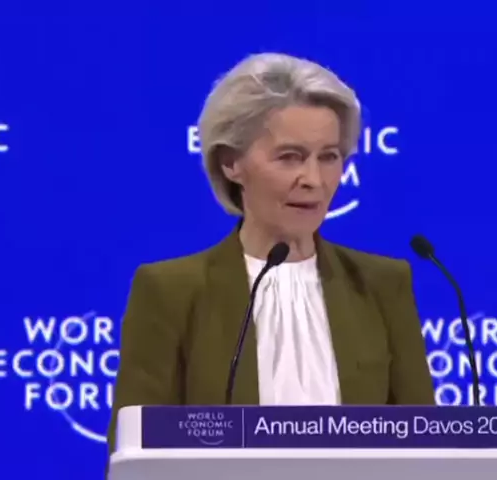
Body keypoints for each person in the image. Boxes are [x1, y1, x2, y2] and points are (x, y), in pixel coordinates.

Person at [106, 52, 435, 456]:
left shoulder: (382, 284)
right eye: (290, 157)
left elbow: (424, 445)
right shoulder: (171, 291)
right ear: (232, 163)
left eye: (329, 157)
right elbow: (136, 455)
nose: (313, 180)